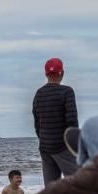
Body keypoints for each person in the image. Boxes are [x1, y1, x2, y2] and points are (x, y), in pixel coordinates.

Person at [32, 57, 79, 185]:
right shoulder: (67, 92)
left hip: (45, 146)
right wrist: (76, 147)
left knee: (51, 189)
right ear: (62, 73)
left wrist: (44, 139)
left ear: (46, 74)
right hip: (63, 146)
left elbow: (37, 123)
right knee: (78, 184)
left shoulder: (39, 93)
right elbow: (72, 121)